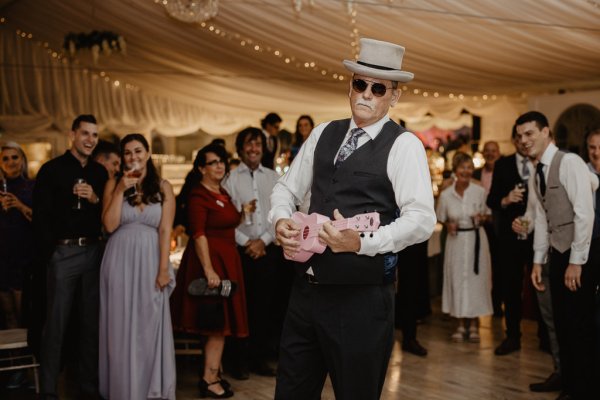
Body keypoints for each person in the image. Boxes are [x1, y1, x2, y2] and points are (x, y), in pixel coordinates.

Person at [269, 38, 436, 399]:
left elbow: (421, 219)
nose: (366, 94)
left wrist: (363, 243)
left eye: (378, 88)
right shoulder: (321, 133)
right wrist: (280, 220)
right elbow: (285, 189)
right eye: (359, 83)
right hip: (304, 293)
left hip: (361, 300)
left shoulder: (405, 145)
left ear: (394, 97)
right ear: (350, 85)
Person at [516, 111, 597, 400]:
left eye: (530, 133)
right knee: (561, 325)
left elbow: (584, 214)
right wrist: (538, 261)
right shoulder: (536, 170)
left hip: (578, 256)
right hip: (556, 255)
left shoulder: (569, 162)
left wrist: (577, 261)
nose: (524, 140)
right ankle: (569, 384)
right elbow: (541, 216)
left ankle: (584, 389)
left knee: (579, 326)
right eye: (520, 136)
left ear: (547, 132)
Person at [33, 114, 108, 399]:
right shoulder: (51, 170)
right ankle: (49, 392)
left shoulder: (100, 174)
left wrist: (94, 199)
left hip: (94, 251)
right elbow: (40, 218)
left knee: (91, 325)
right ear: (72, 135)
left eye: (94, 135)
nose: (90, 140)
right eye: (85, 134)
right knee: (56, 325)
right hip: (63, 252)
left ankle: (89, 389)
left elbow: (109, 215)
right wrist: (51, 254)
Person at [170, 144, 253, 399]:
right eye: (213, 162)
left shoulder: (221, 192)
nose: (220, 166)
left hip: (227, 260)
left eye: (222, 161)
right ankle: (209, 379)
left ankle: (213, 374)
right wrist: (208, 270)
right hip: (211, 263)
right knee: (217, 325)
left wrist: (243, 214)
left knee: (218, 324)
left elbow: (224, 222)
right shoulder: (198, 196)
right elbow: (199, 234)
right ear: (200, 168)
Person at [98, 134, 176, 400]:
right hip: (119, 261)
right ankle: (123, 391)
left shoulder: (163, 187)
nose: (133, 157)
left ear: (148, 152)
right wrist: (120, 189)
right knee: (120, 328)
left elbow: (165, 229)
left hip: (152, 261)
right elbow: (109, 225)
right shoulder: (112, 184)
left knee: (149, 325)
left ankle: (150, 390)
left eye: (138, 151)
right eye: (128, 153)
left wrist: (163, 269)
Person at [222, 127, 282, 378]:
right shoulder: (230, 179)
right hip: (241, 252)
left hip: (269, 251)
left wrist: (264, 240)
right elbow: (226, 219)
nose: (254, 149)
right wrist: (248, 242)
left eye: (258, 144)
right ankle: (239, 361)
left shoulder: (274, 177)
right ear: (240, 148)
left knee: (265, 307)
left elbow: (281, 213)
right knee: (241, 307)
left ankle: (260, 357)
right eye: (249, 144)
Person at [486, 128, 536, 355]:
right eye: (518, 137)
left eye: (527, 137)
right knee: (511, 287)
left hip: (536, 237)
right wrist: (506, 199)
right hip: (509, 238)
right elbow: (492, 200)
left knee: (538, 287)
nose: (523, 141)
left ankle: (545, 337)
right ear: (514, 140)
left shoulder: (539, 161)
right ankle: (512, 336)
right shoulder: (503, 164)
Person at [437, 152, 492, 342]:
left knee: (476, 281)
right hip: (456, 241)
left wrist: (482, 218)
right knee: (458, 280)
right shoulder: (445, 195)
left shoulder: (479, 191)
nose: (466, 171)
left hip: (476, 239)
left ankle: (475, 325)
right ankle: (460, 325)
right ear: (455, 170)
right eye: (462, 167)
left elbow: (488, 214)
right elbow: (440, 218)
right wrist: (448, 225)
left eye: (469, 167)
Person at [0, 141, 35, 389]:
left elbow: (41, 221)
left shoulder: (32, 187)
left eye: (15, 158)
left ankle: (27, 368)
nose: (11, 162)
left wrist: (20, 205)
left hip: (24, 259)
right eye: (5, 159)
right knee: (8, 316)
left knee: (25, 316)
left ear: (22, 160)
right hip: (3, 260)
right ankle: (15, 371)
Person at [474, 141, 503, 317]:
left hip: (497, 225)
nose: (490, 154)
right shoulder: (476, 173)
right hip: (478, 224)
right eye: (487, 151)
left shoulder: (503, 172)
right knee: (479, 263)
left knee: (498, 266)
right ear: (483, 154)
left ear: (499, 153)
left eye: (494, 151)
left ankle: (496, 303)